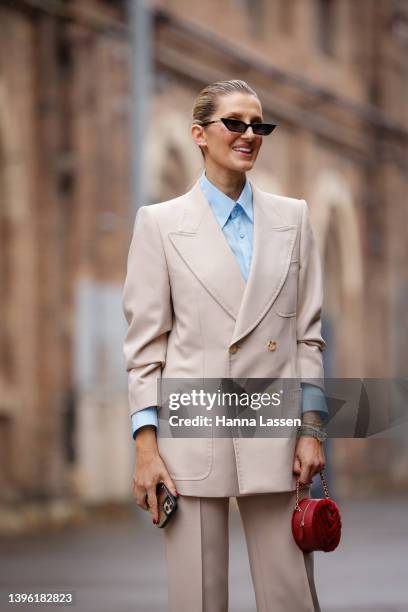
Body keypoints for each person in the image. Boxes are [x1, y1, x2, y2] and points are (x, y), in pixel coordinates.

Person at [122, 79, 328, 612]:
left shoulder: (294, 218)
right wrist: (145, 448)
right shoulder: (160, 225)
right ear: (200, 134)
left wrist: (311, 430)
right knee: (198, 599)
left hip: (277, 437)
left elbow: (308, 338)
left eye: (258, 125)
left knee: (291, 599)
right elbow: (146, 349)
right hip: (190, 438)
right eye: (234, 123)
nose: (249, 134)